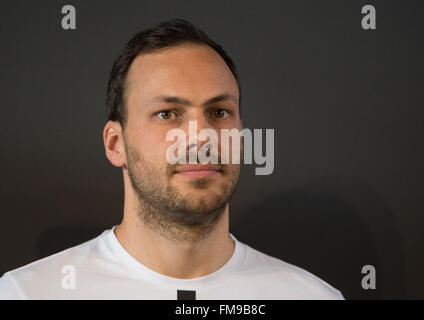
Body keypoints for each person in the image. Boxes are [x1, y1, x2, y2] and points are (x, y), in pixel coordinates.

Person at [0, 19, 344, 299]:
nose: (201, 137)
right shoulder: (28, 294)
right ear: (115, 143)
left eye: (220, 111)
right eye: (167, 114)